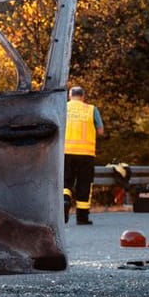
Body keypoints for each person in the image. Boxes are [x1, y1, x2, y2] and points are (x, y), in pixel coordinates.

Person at [63, 85, 104, 225]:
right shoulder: (91, 109)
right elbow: (100, 131)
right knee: (84, 184)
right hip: (86, 154)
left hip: (65, 152)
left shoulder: (62, 108)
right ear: (83, 96)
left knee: (65, 182)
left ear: (69, 95)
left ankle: (64, 201)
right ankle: (82, 217)